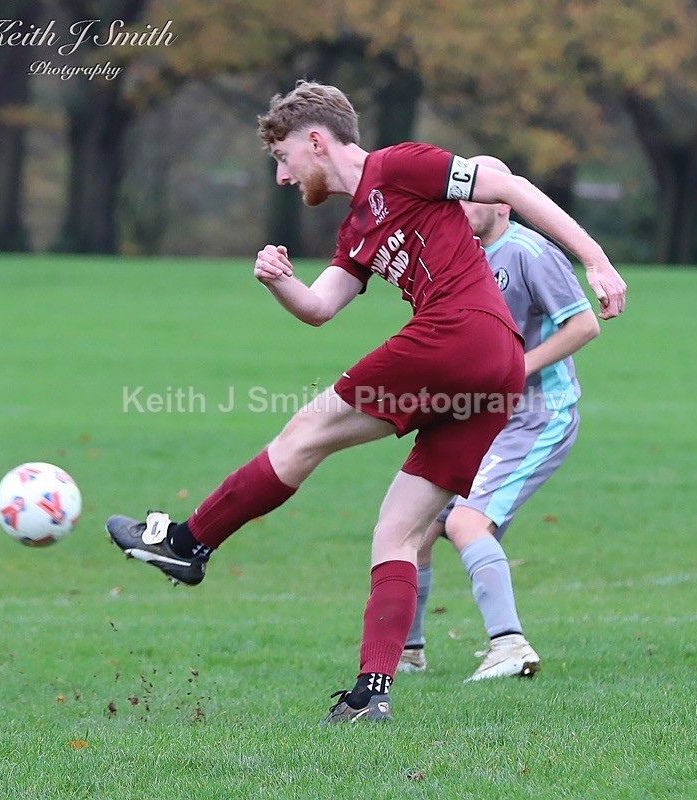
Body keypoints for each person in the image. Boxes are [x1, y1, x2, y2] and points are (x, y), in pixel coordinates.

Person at [106, 81, 626, 725]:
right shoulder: (356, 227)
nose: (282, 176)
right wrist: (280, 282)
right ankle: (370, 694)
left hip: (457, 335)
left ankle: (189, 542)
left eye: (283, 158)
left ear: (315, 141)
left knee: (305, 434)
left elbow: (511, 186)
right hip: (496, 371)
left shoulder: (400, 165)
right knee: (399, 531)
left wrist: (595, 260)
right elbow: (319, 308)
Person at [398, 156, 601, 682]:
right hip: (478, 417)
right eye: (458, 194)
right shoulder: (455, 255)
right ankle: (410, 652)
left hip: (537, 416)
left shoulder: (531, 253)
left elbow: (584, 326)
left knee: (465, 523)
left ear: (504, 202)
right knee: (414, 528)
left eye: (474, 194)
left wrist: (513, 371)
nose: (461, 203)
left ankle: (510, 646)